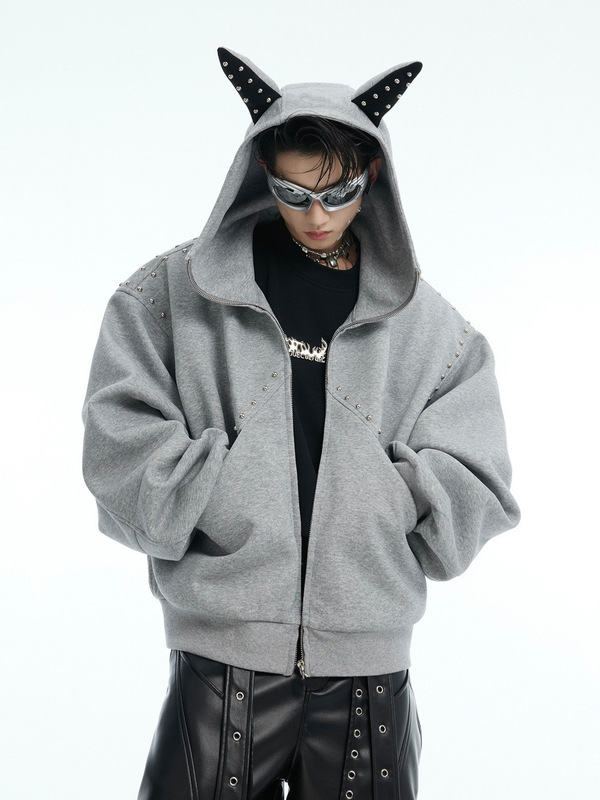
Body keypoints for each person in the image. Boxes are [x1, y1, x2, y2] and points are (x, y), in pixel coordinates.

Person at [80, 46, 521, 800]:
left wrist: (387, 502)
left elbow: (481, 481)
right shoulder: (168, 297)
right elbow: (116, 442)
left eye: (338, 192)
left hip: (367, 680)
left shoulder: (434, 332)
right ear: (261, 171)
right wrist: (219, 491)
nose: (317, 215)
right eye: (294, 191)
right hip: (220, 670)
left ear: (372, 175)